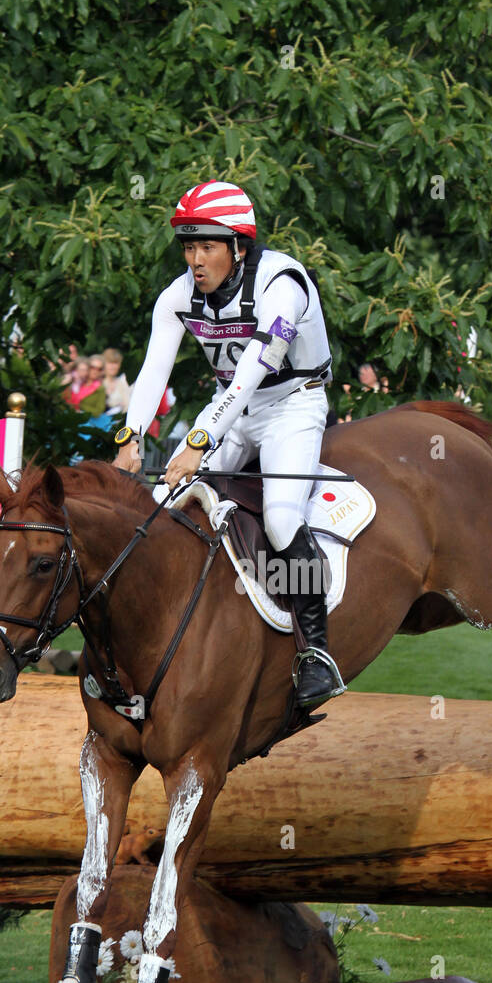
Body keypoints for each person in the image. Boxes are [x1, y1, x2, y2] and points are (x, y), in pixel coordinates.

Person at [114, 178, 342, 709]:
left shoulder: (282, 283)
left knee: (284, 520)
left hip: (292, 405)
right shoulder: (178, 296)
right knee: (160, 504)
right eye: (189, 246)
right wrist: (129, 436)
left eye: (207, 246)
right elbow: (153, 370)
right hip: (232, 409)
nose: (195, 259)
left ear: (239, 246)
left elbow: (250, 374)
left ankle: (317, 654)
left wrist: (197, 441)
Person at [103, 348, 131, 415]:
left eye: (115, 363)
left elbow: (127, 405)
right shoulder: (97, 383)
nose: (112, 366)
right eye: (110, 363)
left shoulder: (123, 382)